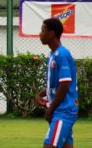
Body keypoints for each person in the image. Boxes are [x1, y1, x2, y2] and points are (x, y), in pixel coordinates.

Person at [35, 18, 78, 148]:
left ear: (52, 33)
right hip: (60, 110)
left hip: (63, 111)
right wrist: (39, 95)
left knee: (49, 146)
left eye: (43, 30)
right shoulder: (52, 54)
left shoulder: (62, 54)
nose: (40, 34)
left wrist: (51, 109)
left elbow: (65, 85)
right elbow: (56, 84)